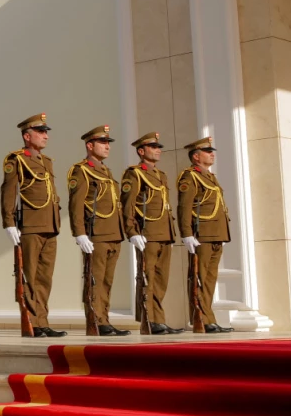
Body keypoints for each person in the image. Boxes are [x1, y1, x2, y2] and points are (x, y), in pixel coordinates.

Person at [0, 114, 65, 337]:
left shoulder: (46, 162)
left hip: (50, 225)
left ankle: (42, 321)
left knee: (45, 278)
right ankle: (32, 322)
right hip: (29, 226)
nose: (45, 135)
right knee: (29, 276)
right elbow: (9, 192)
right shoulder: (16, 159)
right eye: (40, 131)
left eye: (46, 131)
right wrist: (9, 223)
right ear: (27, 136)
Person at [68, 125, 130, 336]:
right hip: (97, 234)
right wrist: (80, 233)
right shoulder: (82, 170)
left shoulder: (105, 171)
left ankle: (105, 319)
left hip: (113, 233)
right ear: (90, 145)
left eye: (107, 143)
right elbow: (76, 205)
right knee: (95, 279)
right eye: (102, 143)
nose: (106, 147)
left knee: (107, 281)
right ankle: (96, 321)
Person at [119, 132, 180, 334]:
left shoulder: (160, 175)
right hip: (148, 233)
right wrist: (132, 232)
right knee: (147, 279)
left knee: (160, 281)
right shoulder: (134, 174)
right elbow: (127, 206)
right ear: (142, 151)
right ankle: (148, 320)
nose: (158, 150)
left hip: (164, 233)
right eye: (153, 147)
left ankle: (158, 320)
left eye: (158, 147)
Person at [177, 136, 233, 333]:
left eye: (212, 151)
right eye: (208, 152)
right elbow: (184, 208)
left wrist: (223, 233)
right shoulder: (190, 177)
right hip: (201, 235)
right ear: (196, 157)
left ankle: (209, 317)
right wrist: (186, 234)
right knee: (199, 278)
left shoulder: (210, 177)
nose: (212, 154)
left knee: (210, 279)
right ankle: (201, 318)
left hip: (216, 234)